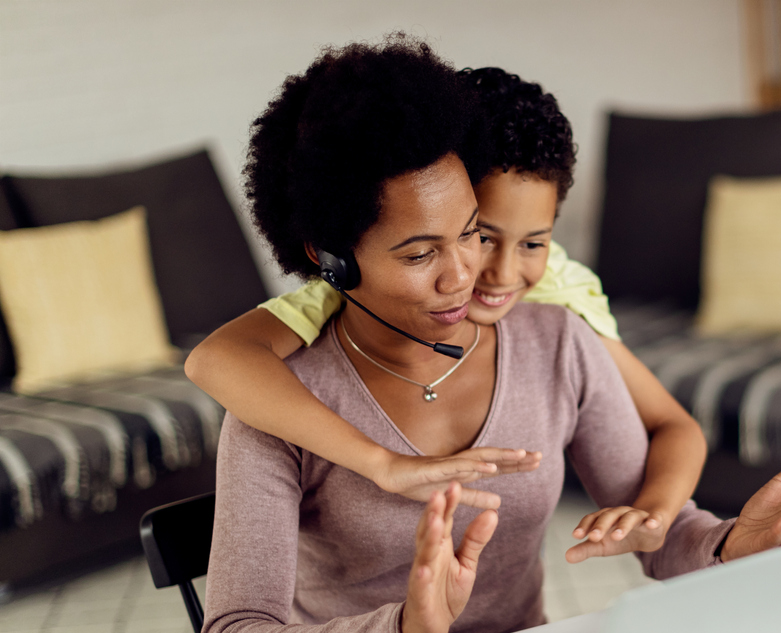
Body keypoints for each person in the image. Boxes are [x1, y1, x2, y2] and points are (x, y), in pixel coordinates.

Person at [201, 35, 781, 633]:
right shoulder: (281, 403)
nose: (465, 275)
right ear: (332, 259)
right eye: (419, 255)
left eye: (470, 231)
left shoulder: (555, 343)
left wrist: (728, 542)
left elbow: (660, 536)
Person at [185, 67, 704, 559]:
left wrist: (654, 518)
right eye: (479, 235)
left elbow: (672, 426)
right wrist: (380, 464)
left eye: (531, 243)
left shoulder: (561, 295)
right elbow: (215, 359)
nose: (489, 274)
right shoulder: (344, 292)